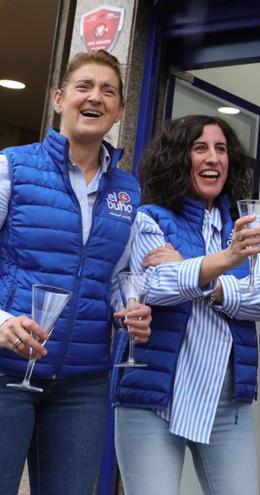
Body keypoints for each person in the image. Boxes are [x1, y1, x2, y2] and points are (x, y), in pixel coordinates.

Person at [0, 50, 152, 494]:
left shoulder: (127, 189)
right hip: (7, 369)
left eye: (109, 90)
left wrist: (132, 304)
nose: (96, 97)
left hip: (83, 382)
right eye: (84, 86)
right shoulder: (12, 167)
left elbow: (117, 274)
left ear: (120, 110)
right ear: (59, 99)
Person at [113, 115, 260, 495]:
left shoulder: (253, 229)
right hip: (153, 395)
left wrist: (204, 283)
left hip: (226, 400)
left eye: (221, 149)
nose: (213, 158)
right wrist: (226, 262)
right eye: (200, 148)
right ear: (177, 158)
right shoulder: (148, 219)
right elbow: (153, 286)